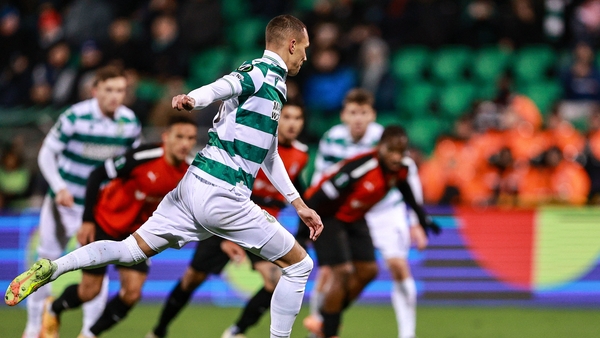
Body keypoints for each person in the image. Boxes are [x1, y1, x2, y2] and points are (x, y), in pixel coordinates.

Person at [5, 14, 323, 338]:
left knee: (129, 250)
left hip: (193, 186)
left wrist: (298, 204)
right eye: (305, 48)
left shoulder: (277, 86)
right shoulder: (261, 71)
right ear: (292, 44)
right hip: (224, 192)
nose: (306, 57)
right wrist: (193, 99)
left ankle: (55, 267)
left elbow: (268, 154)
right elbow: (225, 84)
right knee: (299, 266)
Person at [145, 101, 308, 338]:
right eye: (287, 117)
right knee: (192, 279)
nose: (292, 124)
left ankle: (235, 331)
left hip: (260, 224)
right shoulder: (254, 145)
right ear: (275, 118)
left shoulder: (301, 155)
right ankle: (159, 331)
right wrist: (229, 236)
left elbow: (294, 186)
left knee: (275, 280)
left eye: (298, 118)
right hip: (226, 216)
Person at [39, 115, 197, 338]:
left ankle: (90, 334)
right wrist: (87, 220)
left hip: (136, 233)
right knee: (89, 292)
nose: (185, 143)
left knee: (132, 294)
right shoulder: (144, 156)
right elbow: (97, 175)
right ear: (166, 137)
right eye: (179, 136)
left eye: (191, 138)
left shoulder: (189, 172)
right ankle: (53, 308)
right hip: (105, 223)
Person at [19, 65, 141, 338]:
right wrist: (59, 187)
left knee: (96, 269)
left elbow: (131, 169)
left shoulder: (130, 123)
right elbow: (46, 155)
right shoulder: (75, 116)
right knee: (44, 265)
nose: (115, 96)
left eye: (120, 90)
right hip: (62, 204)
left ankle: (88, 332)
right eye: (109, 90)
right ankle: (33, 328)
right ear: (95, 90)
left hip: (98, 209)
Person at [303, 88, 431, 338]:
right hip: (348, 212)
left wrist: (416, 220)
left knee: (397, 266)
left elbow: (408, 173)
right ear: (344, 115)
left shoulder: (385, 140)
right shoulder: (332, 138)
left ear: (372, 115)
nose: (358, 119)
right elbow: (320, 178)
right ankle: (320, 325)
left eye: (363, 113)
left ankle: (407, 334)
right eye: (353, 113)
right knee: (331, 271)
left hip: (385, 210)